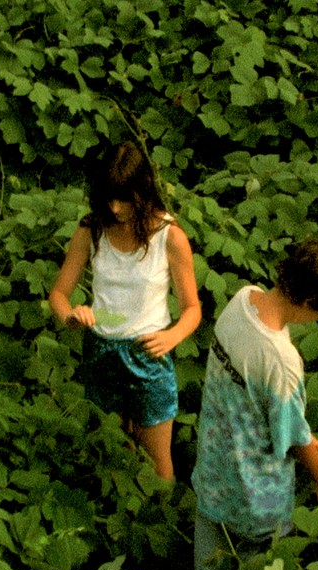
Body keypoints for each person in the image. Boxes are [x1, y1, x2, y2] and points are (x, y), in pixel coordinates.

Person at [192, 238, 318, 570]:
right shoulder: (281, 361)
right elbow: (294, 437)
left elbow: (252, 401)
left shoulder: (241, 300)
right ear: (312, 302)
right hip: (257, 499)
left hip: (212, 475)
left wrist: (301, 432)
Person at [48, 140, 201, 481]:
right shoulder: (92, 229)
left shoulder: (169, 236)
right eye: (108, 197)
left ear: (142, 191)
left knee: (157, 459)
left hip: (148, 352)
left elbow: (192, 308)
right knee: (113, 446)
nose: (115, 208)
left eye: (123, 198)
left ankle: (163, 521)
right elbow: (58, 293)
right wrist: (71, 316)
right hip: (101, 348)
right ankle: (116, 512)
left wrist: (172, 336)